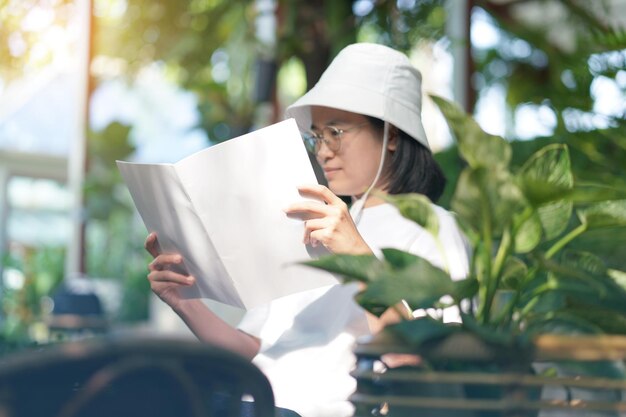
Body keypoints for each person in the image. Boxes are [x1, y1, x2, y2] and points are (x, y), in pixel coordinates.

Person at [145, 43, 470, 417]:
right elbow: (254, 348)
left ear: (392, 135)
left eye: (336, 132)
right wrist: (183, 300)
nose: (323, 151)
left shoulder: (433, 229)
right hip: (255, 404)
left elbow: (422, 365)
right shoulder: (313, 221)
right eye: (317, 136)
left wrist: (360, 260)